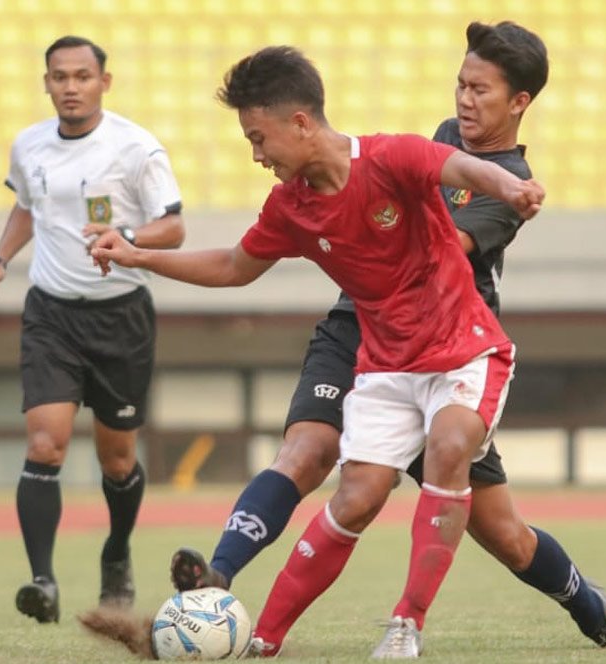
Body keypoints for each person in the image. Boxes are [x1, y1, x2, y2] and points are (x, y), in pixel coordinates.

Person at [168, 21, 606, 653]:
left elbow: (427, 250)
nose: (463, 100)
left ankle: (591, 607)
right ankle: (218, 579)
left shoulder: (507, 182)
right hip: (362, 331)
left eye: (480, 89)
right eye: (460, 84)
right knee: (308, 451)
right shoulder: (448, 141)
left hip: (445, 344)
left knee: (503, 533)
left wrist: (347, 214)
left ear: (519, 102)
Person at [91, 45, 543, 658]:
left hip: (457, 347)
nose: (255, 155)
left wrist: (511, 187)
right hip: (376, 351)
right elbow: (232, 265)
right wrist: (139, 256)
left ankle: (419, 621)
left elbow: (467, 173)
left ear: (300, 123)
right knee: (341, 483)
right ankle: (248, 619)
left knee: (495, 516)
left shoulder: (395, 156)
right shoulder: (291, 206)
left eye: (259, 138)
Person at [0, 35, 185, 624]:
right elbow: (27, 207)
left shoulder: (136, 147)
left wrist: (130, 239)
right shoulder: (29, 145)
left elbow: (174, 229)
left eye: (82, 76)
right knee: (46, 444)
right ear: (46, 83)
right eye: (59, 77)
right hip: (51, 313)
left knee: (118, 461)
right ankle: (42, 580)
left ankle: (116, 553)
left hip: (122, 315)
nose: (70, 87)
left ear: (103, 83)